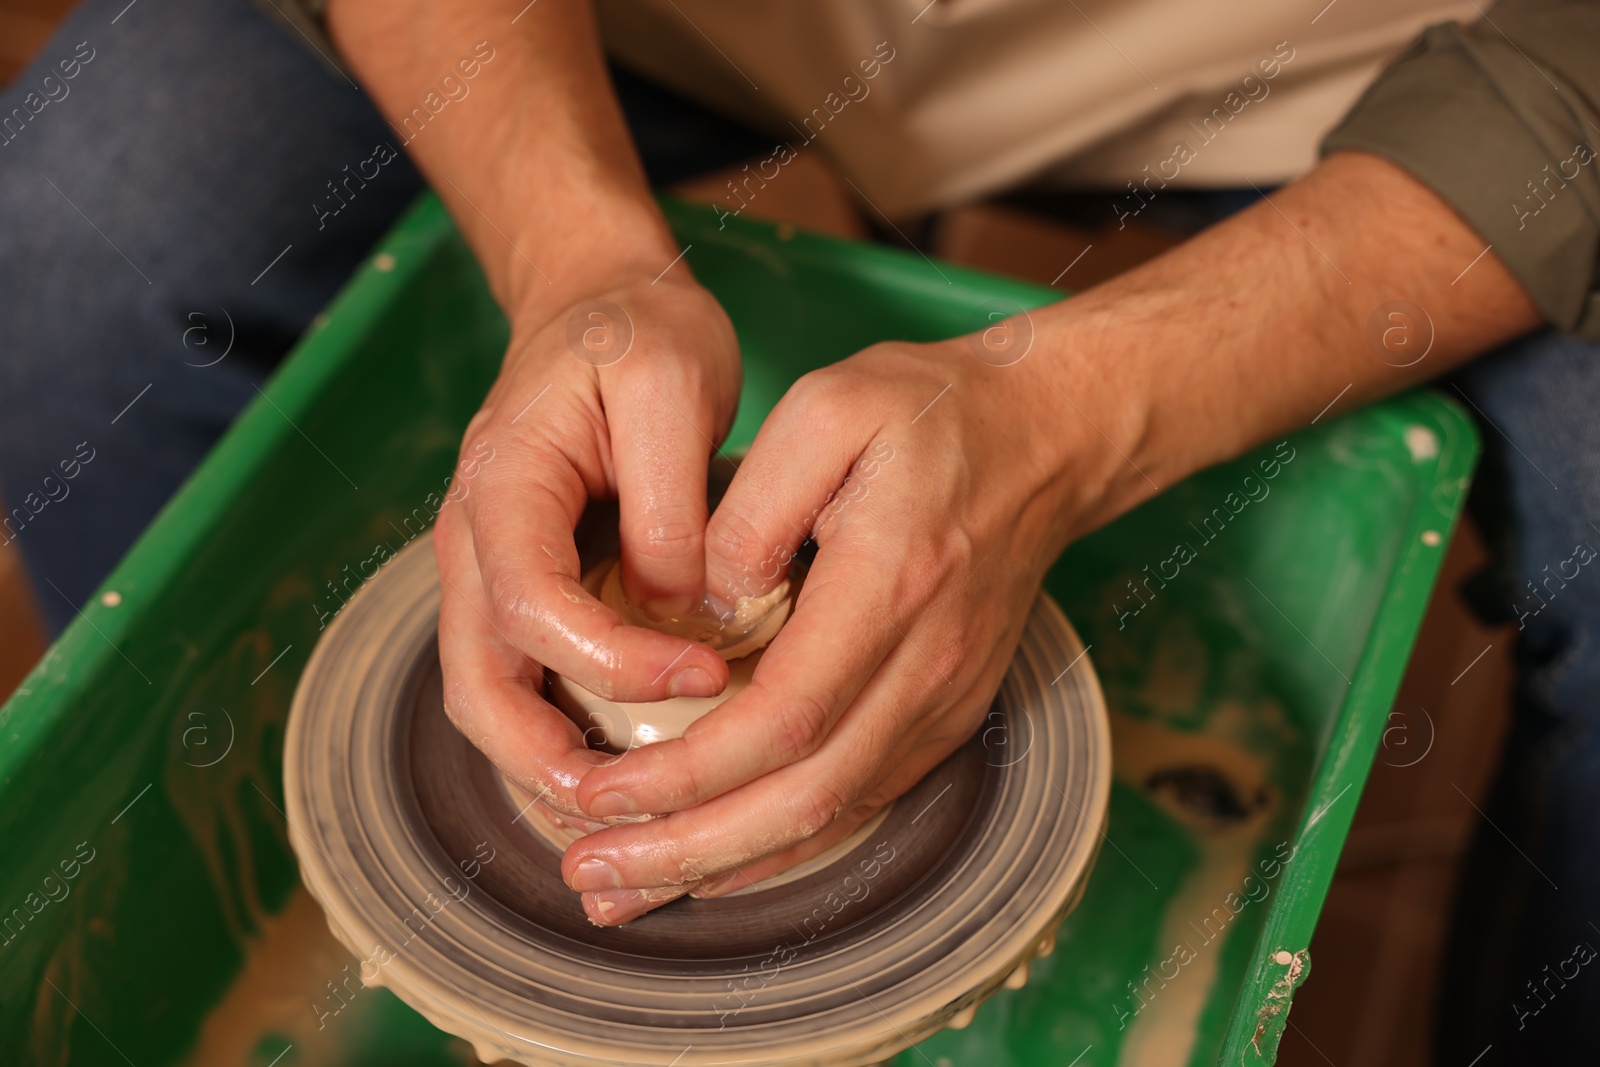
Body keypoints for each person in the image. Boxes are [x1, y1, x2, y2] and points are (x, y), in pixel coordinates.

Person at [0, 0, 1594, 1057]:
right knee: (93, 235)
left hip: (1340, 68)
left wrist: (1084, 409)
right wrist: (575, 261)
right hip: (673, 23)